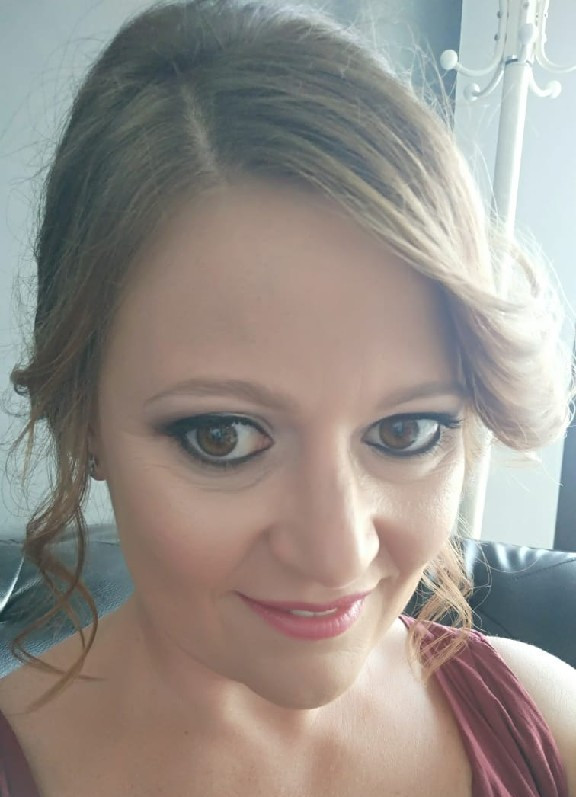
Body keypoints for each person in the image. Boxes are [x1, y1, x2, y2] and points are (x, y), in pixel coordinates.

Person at [0, 0, 575, 794]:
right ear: (84, 419)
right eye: (224, 436)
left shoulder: (550, 724)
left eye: (406, 430)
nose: (338, 553)